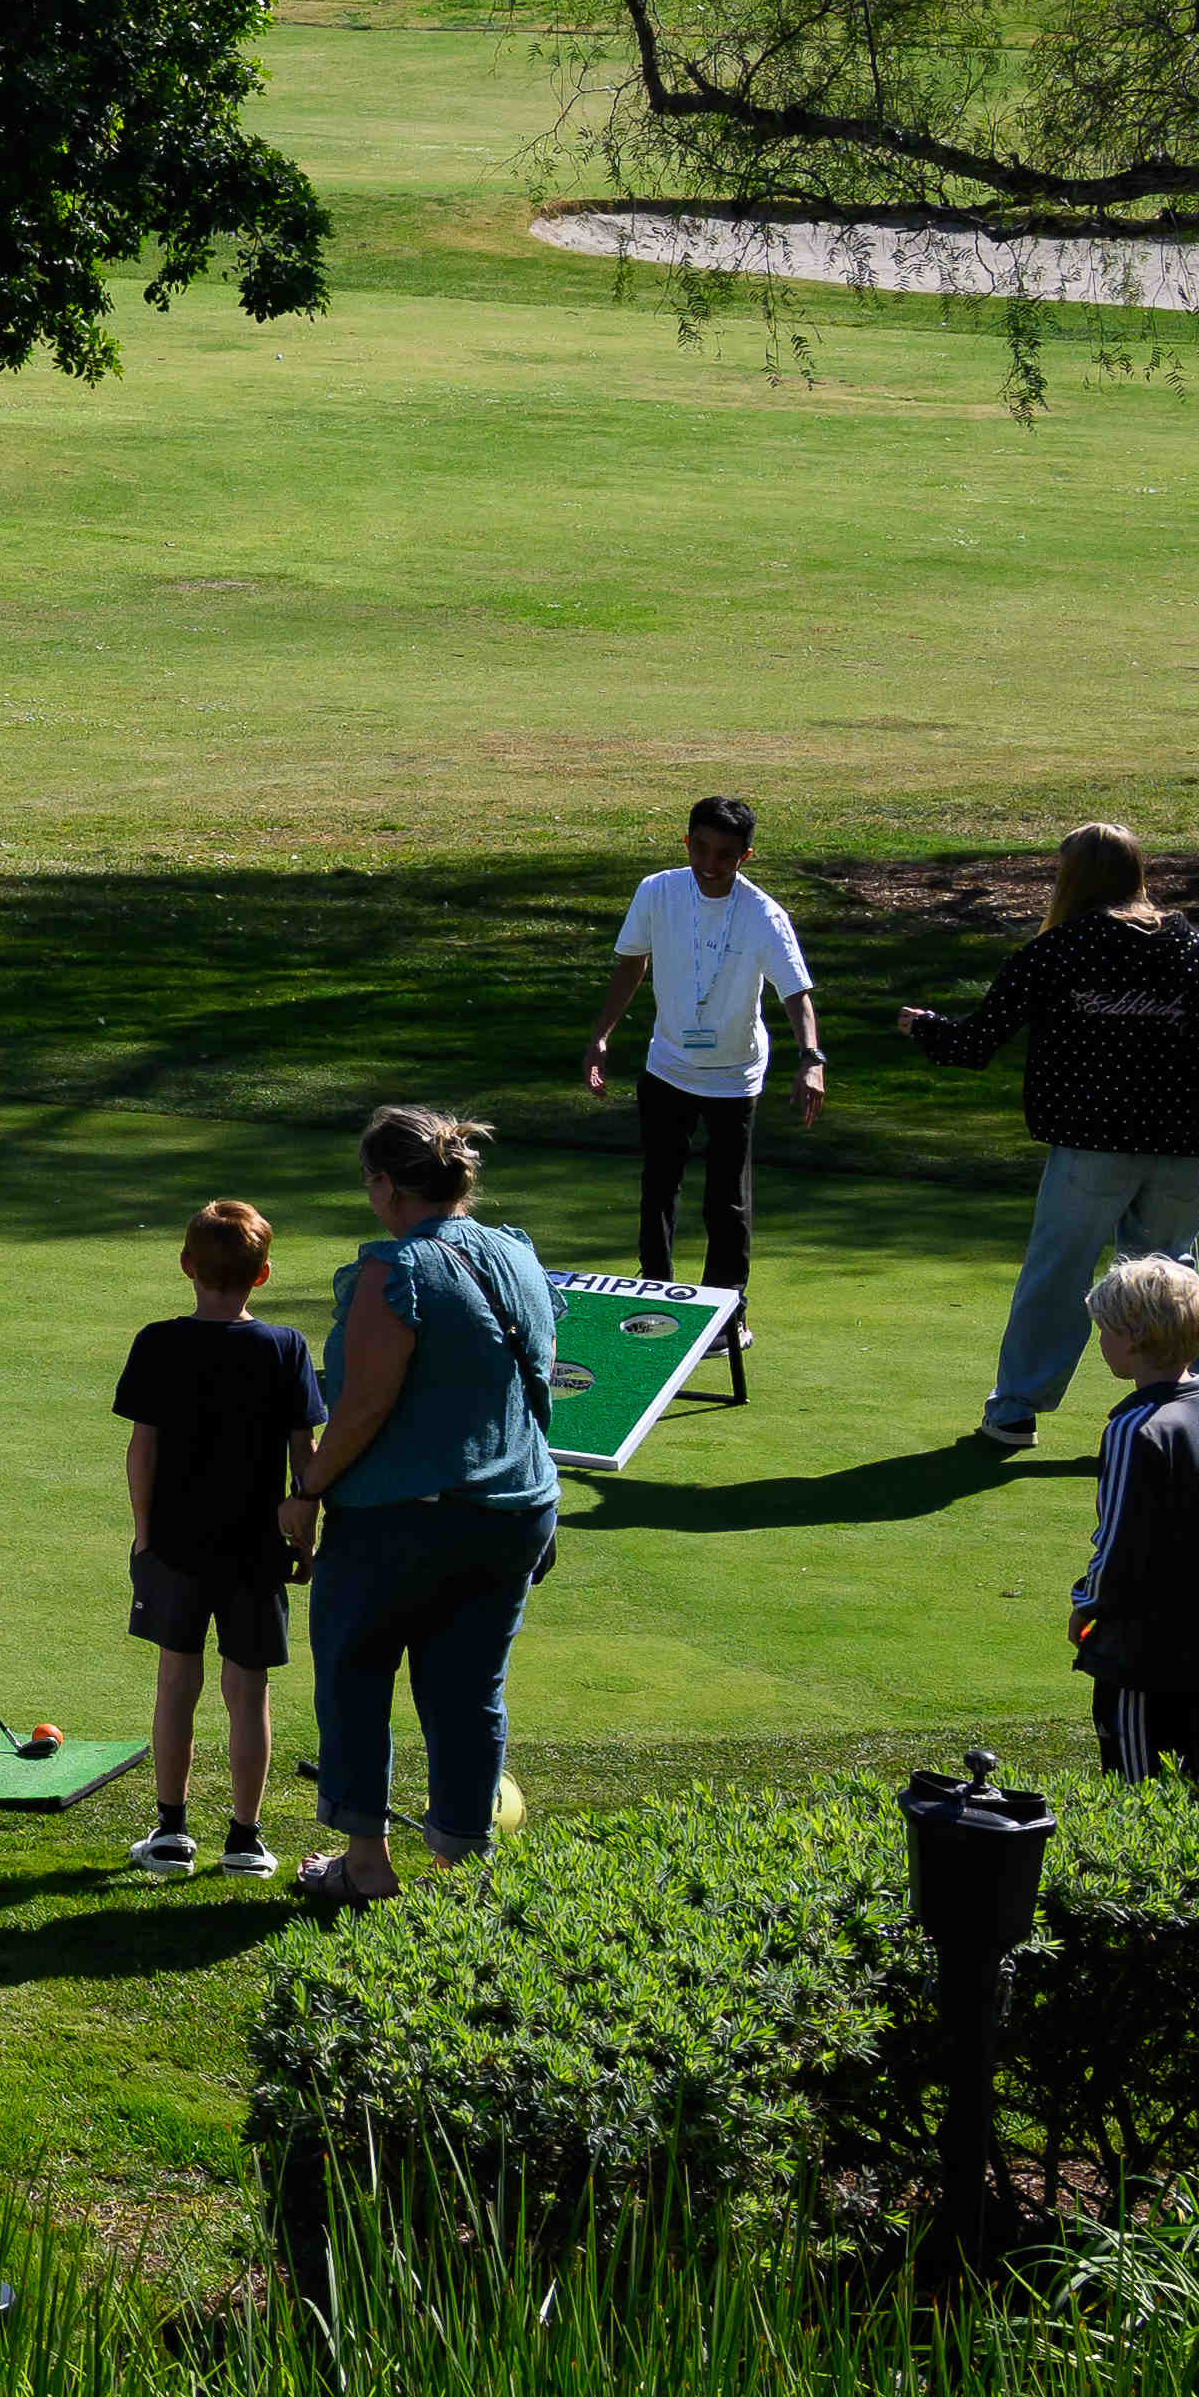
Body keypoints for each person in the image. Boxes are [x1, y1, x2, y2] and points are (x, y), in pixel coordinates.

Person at [904, 825, 1199, 1449]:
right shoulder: (1192, 947)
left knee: (1059, 1274)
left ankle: (1016, 1410)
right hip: (1180, 1148)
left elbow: (977, 1043)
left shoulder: (1059, 950)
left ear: (1071, 878)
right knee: (1172, 1279)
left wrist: (925, 1029)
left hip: (1090, 1146)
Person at [286, 1103, 567, 1908]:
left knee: (356, 1674)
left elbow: (364, 1405)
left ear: (383, 1184)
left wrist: (305, 1492)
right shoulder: (515, 1253)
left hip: (404, 1519)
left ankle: (367, 1865)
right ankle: (458, 1870)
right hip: (517, 1507)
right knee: (470, 1686)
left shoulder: (395, 1269)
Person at [109, 1194, 322, 1883]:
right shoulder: (286, 1347)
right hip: (256, 1548)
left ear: (186, 1266)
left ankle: (171, 1833)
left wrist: (143, 1536)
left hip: (174, 1543)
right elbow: (305, 1456)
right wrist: (305, 1534)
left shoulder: (158, 1341)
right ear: (262, 1274)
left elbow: (143, 1450)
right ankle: (246, 1841)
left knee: (176, 1682)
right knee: (248, 1691)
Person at [586, 794, 824, 1308]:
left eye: (725, 855)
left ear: (745, 857)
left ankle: (726, 1308)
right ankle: (654, 1294)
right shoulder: (657, 892)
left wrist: (811, 1060)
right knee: (659, 1190)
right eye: (701, 849)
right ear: (686, 842)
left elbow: (795, 994)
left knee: (726, 1201)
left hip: (733, 1075)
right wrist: (601, 1037)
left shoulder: (764, 915)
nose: (710, 865)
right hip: (667, 1065)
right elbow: (631, 965)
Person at [1074, 1254, 1199, 1788]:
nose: (1100, 1342)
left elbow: (1117, 1539)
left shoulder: (1134, 1428)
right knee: (1188, 1781)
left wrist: (1087, 1607)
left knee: (1136, 1791)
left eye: (1104, 1330)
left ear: (1134, 1337)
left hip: (1145, 1650)